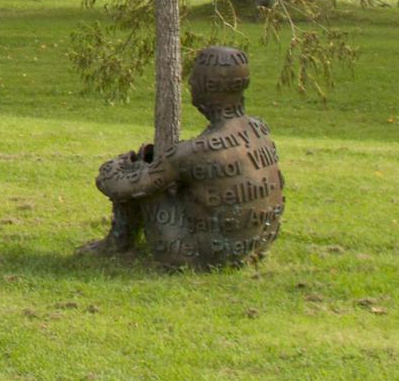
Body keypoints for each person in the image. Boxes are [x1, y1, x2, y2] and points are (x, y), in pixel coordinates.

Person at [88, 45, 283, 269]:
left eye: (194, 79)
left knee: (142, 182)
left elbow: (119, 187)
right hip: (256, 243)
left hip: (198, 256)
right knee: (157, 176)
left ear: (205, 87)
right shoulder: (259, 128)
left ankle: (117, 244)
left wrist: (122, 164)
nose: (190, 84)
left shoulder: (193, 152)